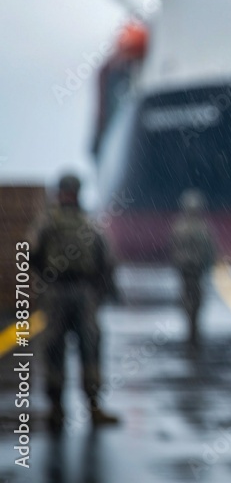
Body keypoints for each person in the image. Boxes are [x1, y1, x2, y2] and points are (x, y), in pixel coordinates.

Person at [30, 173, 120, 431]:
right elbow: (32, 252)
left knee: (90, 347)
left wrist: (100, 290)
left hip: (82, 290)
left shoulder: (86, 223)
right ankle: (56, 407)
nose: (69, 195)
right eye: (67, 191)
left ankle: (93, 406)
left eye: (72, 191)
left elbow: (105, 260)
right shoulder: (49, 222)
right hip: (59, 291)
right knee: (53, 348)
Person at [170, 189, 216, 345]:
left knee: (187, 297)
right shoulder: (203, 229)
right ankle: (193, 328)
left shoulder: (179, 227)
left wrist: (177, 265)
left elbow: (173, 249)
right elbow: (209, 251)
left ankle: (190, 326)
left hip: (185, 270)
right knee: (196, 299)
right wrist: (208, 267)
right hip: (196, 270)